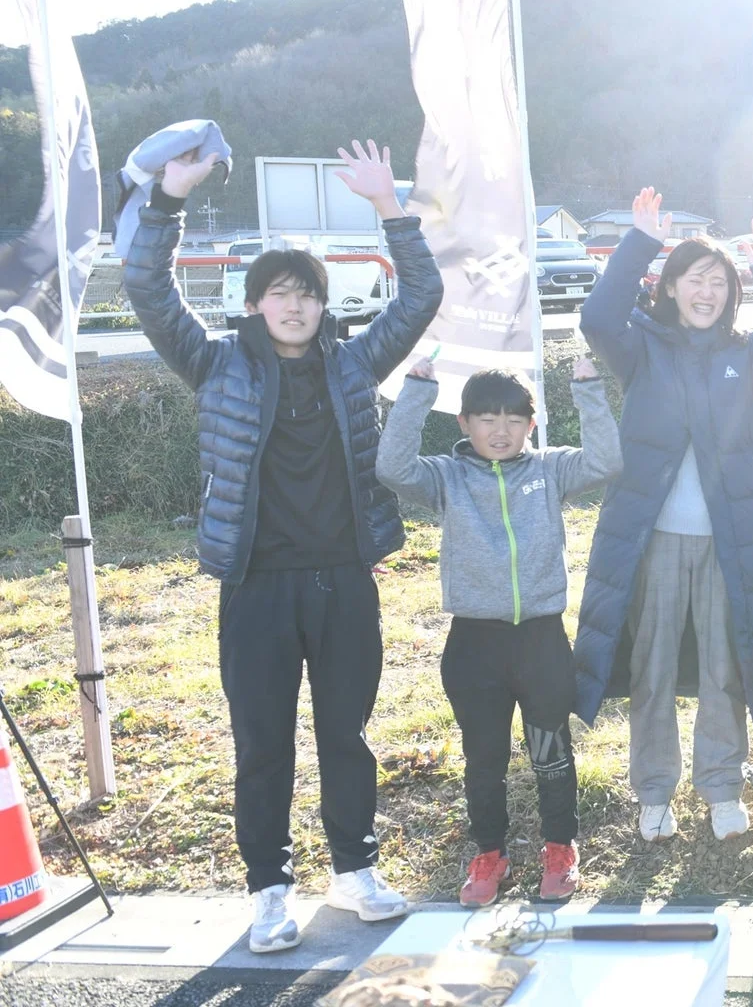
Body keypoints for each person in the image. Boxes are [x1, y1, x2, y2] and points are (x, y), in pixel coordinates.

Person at [122, 139, 441, 953]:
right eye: (278, 294)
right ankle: (269, 890)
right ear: (256, 303)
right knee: (262, 742)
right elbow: (149, 292)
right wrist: (166, 201)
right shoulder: (216, 365)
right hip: (255, 582)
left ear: (321, 306)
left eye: (306, 295)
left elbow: (421, 297)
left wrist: (390, 207)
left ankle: (355, 871)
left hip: (342, 576)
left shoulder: (354, 363)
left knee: (347, 733)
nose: (293, 306)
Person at [570, 187, 753, 845]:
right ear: (672, 288)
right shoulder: (641, 347)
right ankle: (654, 792)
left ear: (731, 295)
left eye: (718, 282)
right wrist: (639, 244)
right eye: (694, 280)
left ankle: (722, 786)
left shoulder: (746, 355)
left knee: (723, 666)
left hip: (724, 540)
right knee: (650, 667)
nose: (706, 292)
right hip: (652, 540)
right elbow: (596, 320)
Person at [375, 358, 622, 907]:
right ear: (463, 423)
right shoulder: (447, 478)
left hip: (540, 641)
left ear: (531, 425)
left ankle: (560, 846)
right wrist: (417, 391)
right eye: (486, 418)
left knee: (550, 751)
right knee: (482, 756)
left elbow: (607, 459)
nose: (500, 430)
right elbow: (392, 467)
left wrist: (587, 389)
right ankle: (489, 852)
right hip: (473, 644)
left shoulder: (550, 470)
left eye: (514, 419)